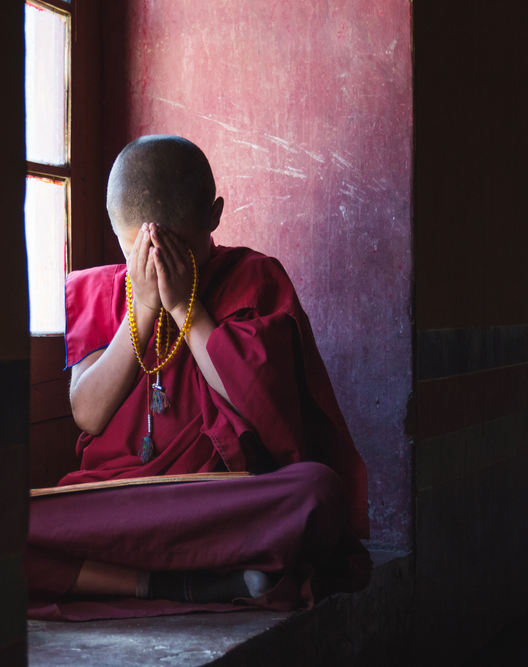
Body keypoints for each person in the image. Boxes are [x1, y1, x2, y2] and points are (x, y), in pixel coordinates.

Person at [26, 135, 370, 621]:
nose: (155, 263)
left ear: (214, 216)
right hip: (120, 503)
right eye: (140, 250)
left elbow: (260, 408)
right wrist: (143, 308)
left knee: (319, 492)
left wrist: (183, 306)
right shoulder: (101, 291)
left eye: (175, 250)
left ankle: (158, 579)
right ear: (116, 231)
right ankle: (176, 584)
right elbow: (89, 413)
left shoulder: (254, 278)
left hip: (215, 500)